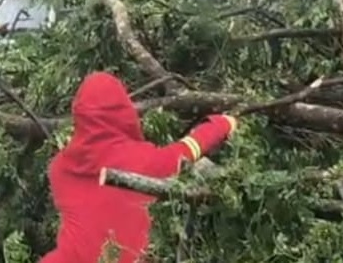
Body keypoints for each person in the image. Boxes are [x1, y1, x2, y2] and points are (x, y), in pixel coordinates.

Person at [40, 71, 238, 263]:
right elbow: (187, 149)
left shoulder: (60, 169)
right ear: (124, 112)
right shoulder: (147, 161)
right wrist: (223, 124)